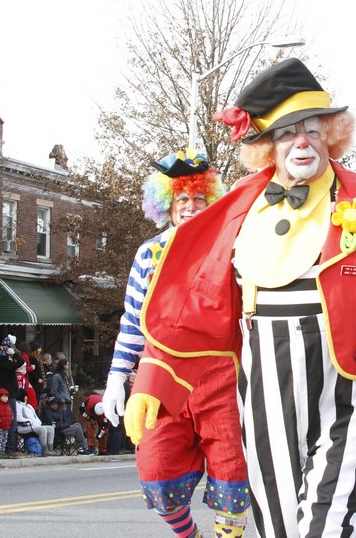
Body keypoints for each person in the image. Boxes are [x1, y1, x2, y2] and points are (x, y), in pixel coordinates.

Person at [125, 58, 356, 538]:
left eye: (312, 128)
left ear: (332, 135)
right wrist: (153, 378)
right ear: (267, 146)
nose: (301, 141)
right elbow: (192, 300)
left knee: (327, 521)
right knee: (279, 525)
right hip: (263, 379)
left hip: (352, 382)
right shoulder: (237, 207)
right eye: (287, 133)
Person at [102, 148, 240, 535]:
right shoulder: (149, 253)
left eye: (200, 198)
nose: (192, 206)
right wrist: (117, 376)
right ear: (167, 204)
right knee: (157, 470)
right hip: (160, 375)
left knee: (233, 469)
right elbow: (133, 319)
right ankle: (189, 535)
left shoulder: (233, 249)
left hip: (223, 375)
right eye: (182, 199)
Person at [14, 389, 55, 456]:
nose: (26, 398)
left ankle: (50, 449)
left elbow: (35, 416)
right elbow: (18, 418)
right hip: (24, 427)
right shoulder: (17, 405)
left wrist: (38, 422)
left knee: (51, 428)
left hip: (33, 426)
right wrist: (29, 421)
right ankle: (44, 450)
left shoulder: (29, 406)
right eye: (25, 397)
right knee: (42, 430)